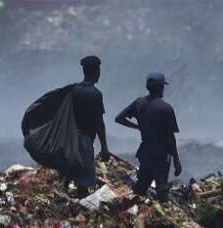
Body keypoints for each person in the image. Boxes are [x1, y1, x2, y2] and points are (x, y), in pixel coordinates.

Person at [115, 71, 182, 202]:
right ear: (161, 87)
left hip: (145, 151)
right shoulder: (166, 108)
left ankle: (130, 209)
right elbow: (170, 136)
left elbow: (119, 118)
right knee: (161, 188)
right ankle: (164, 213)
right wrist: (176, 159)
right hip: (161, 154)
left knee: (141, 186)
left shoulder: (139, 103)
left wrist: (137, 126)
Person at [67, 55, 111, 198]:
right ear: (96, 71)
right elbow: (99, 123)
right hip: (85, 140)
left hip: (70, 139)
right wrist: (104, 147)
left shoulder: (74, 91)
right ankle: (82, 206)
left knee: (73, 174)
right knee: (85, 180)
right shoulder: (95, 94)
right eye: (99, 70)